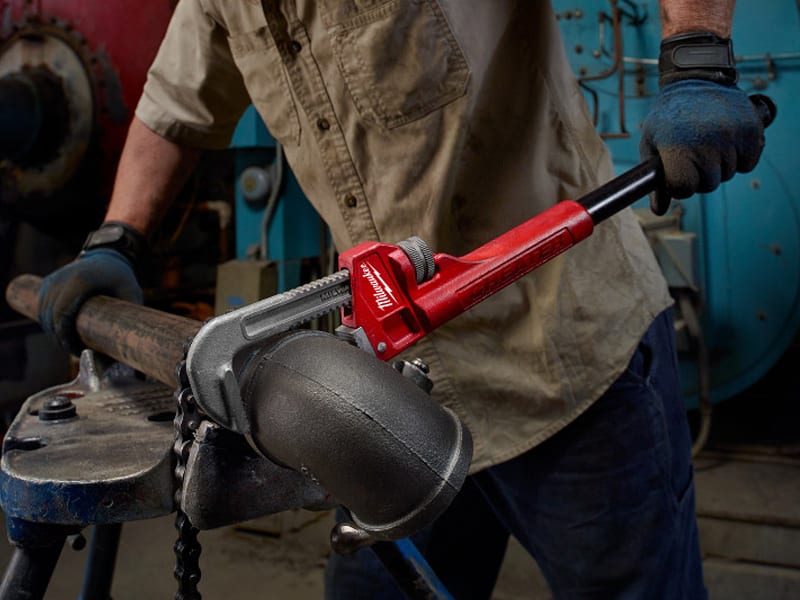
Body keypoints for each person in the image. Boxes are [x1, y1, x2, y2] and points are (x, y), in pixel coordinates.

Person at [36, 1, 766, 598]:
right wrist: (117, 240)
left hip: (568, 365)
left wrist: (697, 54)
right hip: (389, 399)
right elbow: (173, 106)